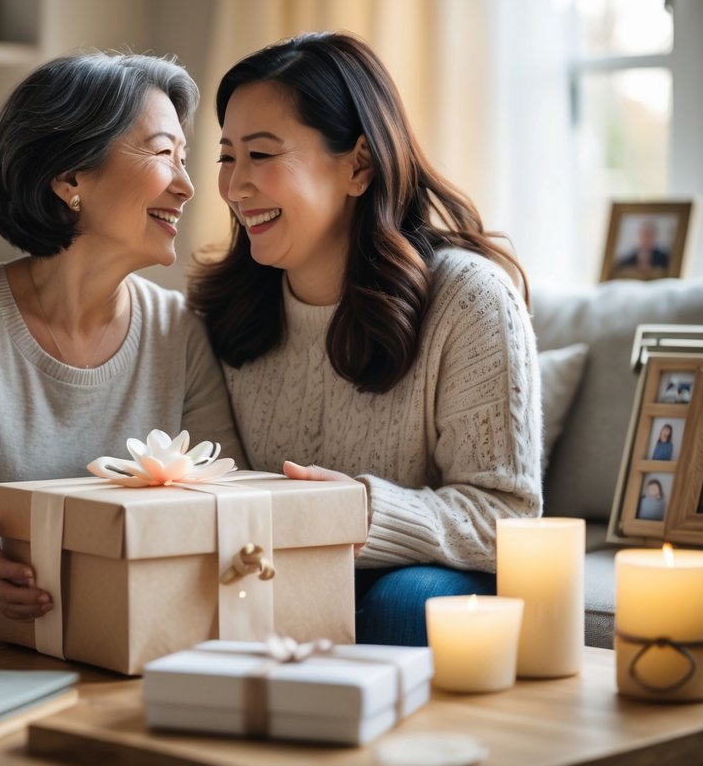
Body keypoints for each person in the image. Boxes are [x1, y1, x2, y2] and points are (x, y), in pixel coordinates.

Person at [0, 51, 244, 639]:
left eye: (185, 160)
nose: (187, 186)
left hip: (104, 587)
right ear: (70, 178)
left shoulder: (178, 328)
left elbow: (223, 497)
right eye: (163, 154)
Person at [189, 32, 542, 647]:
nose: (234, 186)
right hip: (279, 568)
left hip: (435, 577)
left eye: (262, 155)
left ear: (357, 165)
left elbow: (506, 518)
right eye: (226, 157)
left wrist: (359, 513)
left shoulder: (469, 299)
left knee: (402, 603)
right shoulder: (221, 308)